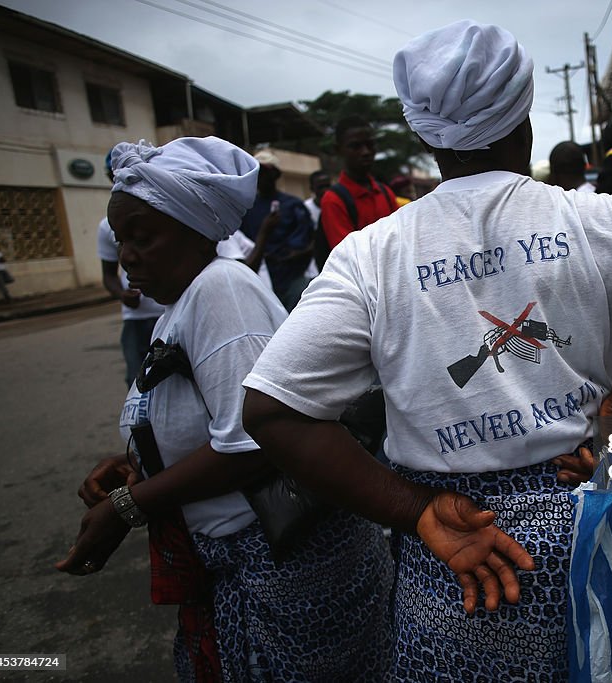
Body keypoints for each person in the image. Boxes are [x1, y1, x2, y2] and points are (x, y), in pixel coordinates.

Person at [242, 21, 612, 681]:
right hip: (589, 529)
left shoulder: (371, 255)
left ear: (425, 134)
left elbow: (269, 407)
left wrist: (415, 510)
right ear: (524, 118)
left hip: (456, 555)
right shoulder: (599, 220)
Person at [56, 136, 393, 682]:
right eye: (122, 241)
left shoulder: (220, 291)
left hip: (286, 569)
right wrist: (137, 465)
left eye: (143, 237)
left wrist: (128, 505)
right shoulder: (184, 302)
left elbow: (258, 441)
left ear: (194, 231)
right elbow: (200, 418)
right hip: (252, 564)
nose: (127, 257)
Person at [238, 150, 315, 311]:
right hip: (259, 282)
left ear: (276, 174)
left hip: (291, 281)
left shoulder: (293, 205)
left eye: (265, 172)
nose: (261, 177)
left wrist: (284, 257)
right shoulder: (247, 208)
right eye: (257, 172)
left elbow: (306, 243)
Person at [98, 216, 165, 386]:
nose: (127, 257)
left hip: (169, 311)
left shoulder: (164, 214)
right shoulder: (107, 226)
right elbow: (109, 275)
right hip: (136, 320)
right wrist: (122, 295)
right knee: (137, 381)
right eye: (120, 242)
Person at [319, 115, 398, 251]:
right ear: (338, 150)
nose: (366, 152)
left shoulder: (385, 192)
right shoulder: (333, 200)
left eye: (370, 144)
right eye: (355, 146)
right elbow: (347, 255)